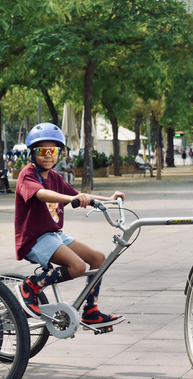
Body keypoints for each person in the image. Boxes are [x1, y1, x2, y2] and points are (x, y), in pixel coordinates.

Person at [14, 122, 125, 329]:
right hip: (34, 239)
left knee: (98, 259)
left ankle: (91, 311)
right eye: (42, 151)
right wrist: (70, 198)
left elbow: (78, 196)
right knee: (77, 266)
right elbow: (40, 194)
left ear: (59, 153)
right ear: (31, 153)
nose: (48, 155)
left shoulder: (55, 177)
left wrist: (108, 199)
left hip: (54, 235)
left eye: (53, 151)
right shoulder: (27, 174)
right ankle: (31, 285)